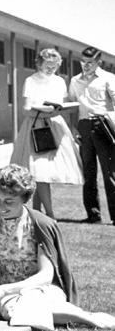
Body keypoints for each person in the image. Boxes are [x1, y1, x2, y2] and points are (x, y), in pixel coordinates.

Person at [0, 164, 115, 331]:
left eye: (9, 201)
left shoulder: (39, 224)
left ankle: (89, 319)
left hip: (42, 287)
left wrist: (4, 289)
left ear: (25, 199)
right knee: (13, 309)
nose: (1, 206)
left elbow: (45, 275)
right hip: (9, 291)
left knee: (31, 305)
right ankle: (85, 317)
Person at [8, 47, 81, 218]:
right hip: (36, 126)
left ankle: (36, 211)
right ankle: (49, 214)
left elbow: (63, 106)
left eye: (54, 65)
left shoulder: (60, 81)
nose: (51, 68)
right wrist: (43, 110)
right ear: (39, 63)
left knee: (44, 172)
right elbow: (26, 108)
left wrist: (58, 111)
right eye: (47, 64)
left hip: (55, 126)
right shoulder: (31, 80)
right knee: (39, 170)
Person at [69, 47, 115, 224]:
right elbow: (72, 105)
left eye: (90, 63)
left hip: (103, 124)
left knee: (110, 173)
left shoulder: (108, 78)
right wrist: (74, 129)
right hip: (84, 126)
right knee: (88, 173)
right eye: (83, 62)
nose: (85, 66)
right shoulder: (74, 81)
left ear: (98, 63)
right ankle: (93, 215)